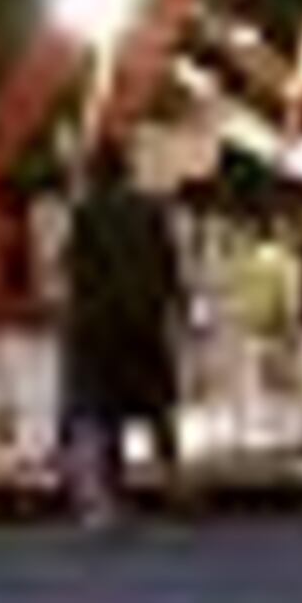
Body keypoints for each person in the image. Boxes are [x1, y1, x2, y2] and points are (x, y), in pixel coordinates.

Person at [57, 143, 188, 517]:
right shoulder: (151, 210)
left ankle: (113, 495)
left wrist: (74, 325)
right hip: (146, 320)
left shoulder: (87, 213)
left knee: (106, 411)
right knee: (159, 409)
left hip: (101, 326)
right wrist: (178, 306)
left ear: (97, 173)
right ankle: (174, 484)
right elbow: (169, 263)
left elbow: (77, 272)